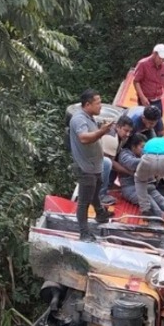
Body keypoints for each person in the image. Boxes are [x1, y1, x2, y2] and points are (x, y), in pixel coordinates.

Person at [68, 89, 113, 241]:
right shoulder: (78, 119)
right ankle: (84, 232)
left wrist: (102, 128)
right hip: (85, 166)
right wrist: (102, 132)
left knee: (95, 191)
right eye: (98, 103)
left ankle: (100, 213)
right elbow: (84, 138)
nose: (101, 106)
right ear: (87, 105)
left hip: (95, 165)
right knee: (84, 201)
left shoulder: (90, 117)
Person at [117, 133, 164, 218]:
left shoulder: (144, 154)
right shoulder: (125, 154)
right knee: (148, 199)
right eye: (142, 147)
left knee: (160, 199)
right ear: (133, 147)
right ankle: (160, 216)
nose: (144, 150)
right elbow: (131, 164)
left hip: (148, 185)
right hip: (131, 188)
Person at [132, 44, 164, 115]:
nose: (162, 60)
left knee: (158, 119)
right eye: (160, 58)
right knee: (145, 119)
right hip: (145, 100)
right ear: (154, 54)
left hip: (157, 100)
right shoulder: (142, 64)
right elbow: (136, 82)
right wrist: (142, 98)